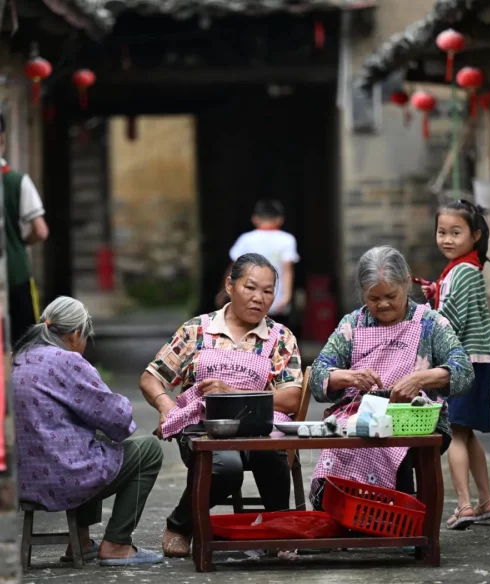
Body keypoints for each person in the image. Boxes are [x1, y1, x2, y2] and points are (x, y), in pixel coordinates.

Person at [140, 253, 303, 558]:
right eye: (250, 288)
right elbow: (151, 378)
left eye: (268, 291)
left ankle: (279, 530)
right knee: (226, 468)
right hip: (204, 429)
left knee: (271, 456)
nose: (259, 298)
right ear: (230, 286)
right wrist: (166, 407)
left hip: (258, 429)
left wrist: (234, 391)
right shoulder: (197, 331)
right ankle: (180, 525)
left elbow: (292, 396)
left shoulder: (280, 338)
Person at [308, 245, 474, 509]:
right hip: (359, 416)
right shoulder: (353, 324)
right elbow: (317, 375)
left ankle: (401, 521)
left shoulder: (429, 323)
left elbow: (464, 370)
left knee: (390, 444)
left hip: (416, 420)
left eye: (391, 295)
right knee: (344, 442)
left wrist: (420, 380)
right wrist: (347, 377)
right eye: (373, 298)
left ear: (406, 283)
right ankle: (344, 516)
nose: (383, 304)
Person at [13, 296, 163, 566]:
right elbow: (119, 417)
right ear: (76, 334)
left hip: (20, 481)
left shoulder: (17, 358)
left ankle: (80, 541)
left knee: (90, 437)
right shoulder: (67, 361)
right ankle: (117, 543)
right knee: (148, 451)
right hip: (60, 478)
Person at [422, 199, 490, 530]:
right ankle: (486, 501)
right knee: (467, 433)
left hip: (463, 362)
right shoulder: (464, 269)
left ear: (475, 235)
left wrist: (424, 321)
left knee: (454, 431)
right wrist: (435, 293)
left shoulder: (463, 272)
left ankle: (465, 505)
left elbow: (451, 319)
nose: (447, 239)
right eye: (442, 232)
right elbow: (453, 304)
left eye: (456, 232)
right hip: (478, 359)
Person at [0, 113, 49, 345]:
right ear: (3, 139)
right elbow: (40, 230)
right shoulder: (17, 181)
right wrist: (20, 243)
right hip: (15, 272)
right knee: (26, 341)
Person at [217, 200, 299, 318]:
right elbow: (287, 269)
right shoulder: (287, 239)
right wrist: (286, 296)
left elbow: (234, 268)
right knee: (274, 333)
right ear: (280, 220)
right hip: (275, 299)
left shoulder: (246, 239)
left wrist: (225, 291)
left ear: (255, 219)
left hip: (247, 299)